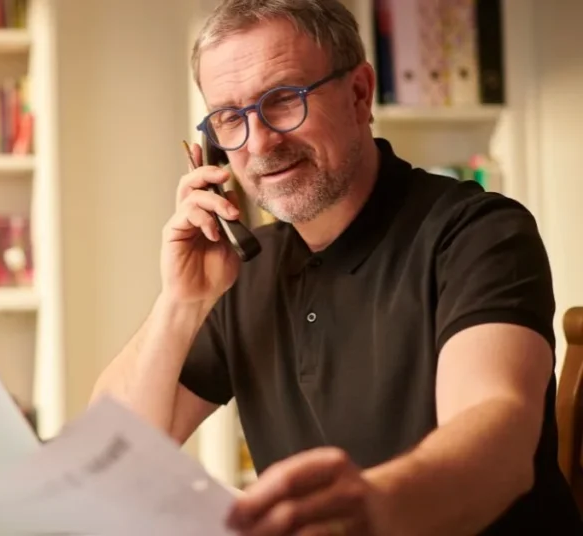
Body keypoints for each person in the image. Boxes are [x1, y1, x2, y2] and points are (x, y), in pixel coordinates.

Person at [90, 1, 583, 535]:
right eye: (230, 118)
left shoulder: (477, 233)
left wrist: (372, 508)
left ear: (359, 95)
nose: (257, 144)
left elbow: (498, 446)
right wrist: (180, 303)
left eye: (283, 101)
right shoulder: (242, 268)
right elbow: (105, 453)